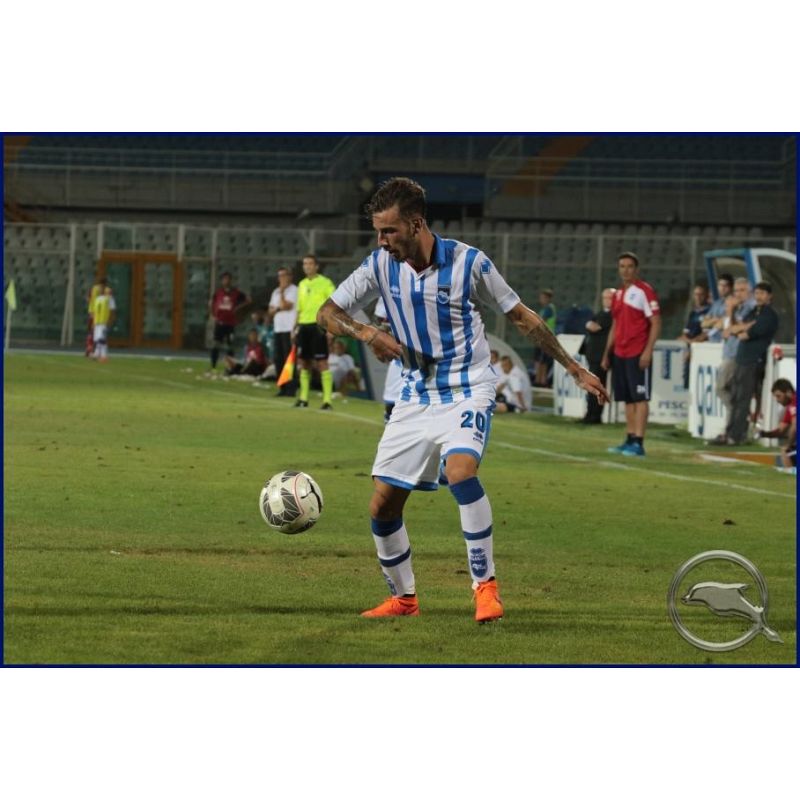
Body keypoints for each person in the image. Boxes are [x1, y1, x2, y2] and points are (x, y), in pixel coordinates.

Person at [315, 177, 608, 622]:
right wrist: (367, 332)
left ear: (416, 224)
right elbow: (327, 313)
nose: (381, 241)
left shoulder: (470, 263)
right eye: (378, 232)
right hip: (415, 394)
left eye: (389, 231)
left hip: (468, 388)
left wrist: (573, 368)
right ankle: (404, 599)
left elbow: (522, 318)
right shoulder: (379, 266)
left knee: (460, 471)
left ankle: (485, 588)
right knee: (383, 504)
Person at [601, 252, 661, 457]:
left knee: (640, 397)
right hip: (620, 352)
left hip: (637, 351)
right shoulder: (618, 294)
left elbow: (656, 322)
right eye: (622, 266)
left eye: (629, 266)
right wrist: (607, 353)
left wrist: (648, 351)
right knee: (627, 398)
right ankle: (629, 438)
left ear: (636, 269)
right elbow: (615, 324)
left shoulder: (644, 291)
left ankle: (639, 442)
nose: (625, 270)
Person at [720, 281, 779, 445]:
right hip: (742, 359)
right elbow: (733, 329)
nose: (759, 296)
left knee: (743, 399)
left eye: (762, 293)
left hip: (753, 360)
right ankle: (729, 432)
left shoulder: (769, 315)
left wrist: (742, 329)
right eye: (757, 293)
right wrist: (743, 327)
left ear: (769, 296)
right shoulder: (754, 312)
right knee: (736, 398)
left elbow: (745, 335)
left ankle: (736, 436)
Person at [712, 277, 755, 437]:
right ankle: (735, 423)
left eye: (742, 290)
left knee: (722, 388)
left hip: (737, 354)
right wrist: (730, 314)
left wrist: (730, 313)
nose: (738, 294)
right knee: (728, 390)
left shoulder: (751, 307)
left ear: (749, 292)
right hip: (729, 351)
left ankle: (737, 422)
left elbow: (736, 328)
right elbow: (727, 329)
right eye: (736, 291)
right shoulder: (738, 308)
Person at [294, 255, 336, 409]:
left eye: (310, 263)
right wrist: (295, 328)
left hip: (318, 327)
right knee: (303, 362)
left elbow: (333, 306)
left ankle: (327, 401)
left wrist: (331, 328)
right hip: (303, 326)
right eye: (305, 264)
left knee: (322, 362)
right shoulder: (301, 284)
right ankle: (303, 399)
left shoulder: (326, 283)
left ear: (316, 266)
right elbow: (299, 309)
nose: (307, 266)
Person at [579, 287, 613, 424]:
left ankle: (595, 416)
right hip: (593, 355)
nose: (607, 301)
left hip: (601, 356)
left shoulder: (612, 315)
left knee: (598, 386)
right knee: (592, 386)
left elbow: (595, 327)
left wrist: (589, 324)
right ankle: (590, 413)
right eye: (605, 298)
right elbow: (590, 324)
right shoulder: (600, 313)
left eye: (609, 298)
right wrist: (588, 324)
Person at [208, 272, 250, 372]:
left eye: (228, 279)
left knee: (230, 346)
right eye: (224, 279)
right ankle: (213, 366)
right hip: (220, 323)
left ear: (231, 280)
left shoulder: (236, 293)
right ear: (222, 281)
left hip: (230, 324)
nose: (226, 281)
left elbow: (248, 300)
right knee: (215, 344)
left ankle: (231, 367)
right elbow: (211, 303)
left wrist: (238, 309)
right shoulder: (218, 292)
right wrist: (213, 314)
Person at [268, 267, 298, 396]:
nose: (282, 278)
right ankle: (282, 387)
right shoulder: (275, 291)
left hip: (289, 329)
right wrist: (278, 308)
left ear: (290, 277)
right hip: (278, 328)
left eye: (284, 275)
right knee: (278, 359)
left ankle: (291, 388)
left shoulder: (294, 290)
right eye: (280, 276)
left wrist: (281, 294)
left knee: (289, 359)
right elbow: (270, 311)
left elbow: (287, 305)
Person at [374, 297, 405, 422]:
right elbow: (380, 319)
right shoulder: (389, 289)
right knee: (391, 405)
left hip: (430, 356)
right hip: (400, 359)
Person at [757, 378, 796, 470]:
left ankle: (790, 475)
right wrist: (764, 434)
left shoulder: (795, 401)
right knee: (786, 452)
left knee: (786, 452)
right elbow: (781, 430)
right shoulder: (790, 407)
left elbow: (795, 426)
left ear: (788, 392)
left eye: (779, 396)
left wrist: (788, 445)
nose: (777, 400)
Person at [677, 283, 711, 389]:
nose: (698, 297)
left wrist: (693, 345)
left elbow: (706, 334)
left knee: (696, 383)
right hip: (689, 349)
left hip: (700, 350)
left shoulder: (709, 311)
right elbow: (684, 334)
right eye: (696, 294)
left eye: (701, 294)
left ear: (706, 295)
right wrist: (689, 343)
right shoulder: (693, 313)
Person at [699, 273, 734, 344]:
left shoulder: (734, 302)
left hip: (726, 342)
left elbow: (724, 323)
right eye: (720, 285)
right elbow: (703, 323)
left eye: (725, 285)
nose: (722, 288)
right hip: (712, 341)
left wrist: (712, 321)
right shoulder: (716, 303)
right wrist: (716, 320)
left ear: (731, 287)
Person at [532, 288, 557, 386]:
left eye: (542, 297)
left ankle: (540, 381)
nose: (541, 299)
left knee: (542, 361)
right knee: (540, 359)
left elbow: (540, 322)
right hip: (542, 336)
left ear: (547, 298)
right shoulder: (545, 309)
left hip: (546, 337)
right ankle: (540, 380)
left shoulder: (549, 309)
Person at [91, 285, 116, 363]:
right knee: (100, 339)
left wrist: (93, 322)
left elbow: (94, 312)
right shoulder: (109, 299)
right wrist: (111, 321)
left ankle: (101, 355)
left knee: (100, 339)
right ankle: (100, 355)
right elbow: (112, 311)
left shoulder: (98, 299)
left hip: (100, 322)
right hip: (101, 322)